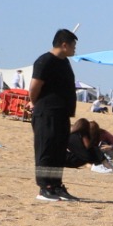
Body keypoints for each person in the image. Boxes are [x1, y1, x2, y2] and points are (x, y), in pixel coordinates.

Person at [29, 29, 79, 201]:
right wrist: (38, 104)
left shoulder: (64, 62)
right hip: (46, 113)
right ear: (64, 44)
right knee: (46, 149)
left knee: (58, 151)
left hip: (62, 113)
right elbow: (34, 87)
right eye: (73, 45)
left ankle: (56, 185)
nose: (75, 49)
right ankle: (45, 187)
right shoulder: (45, 61)